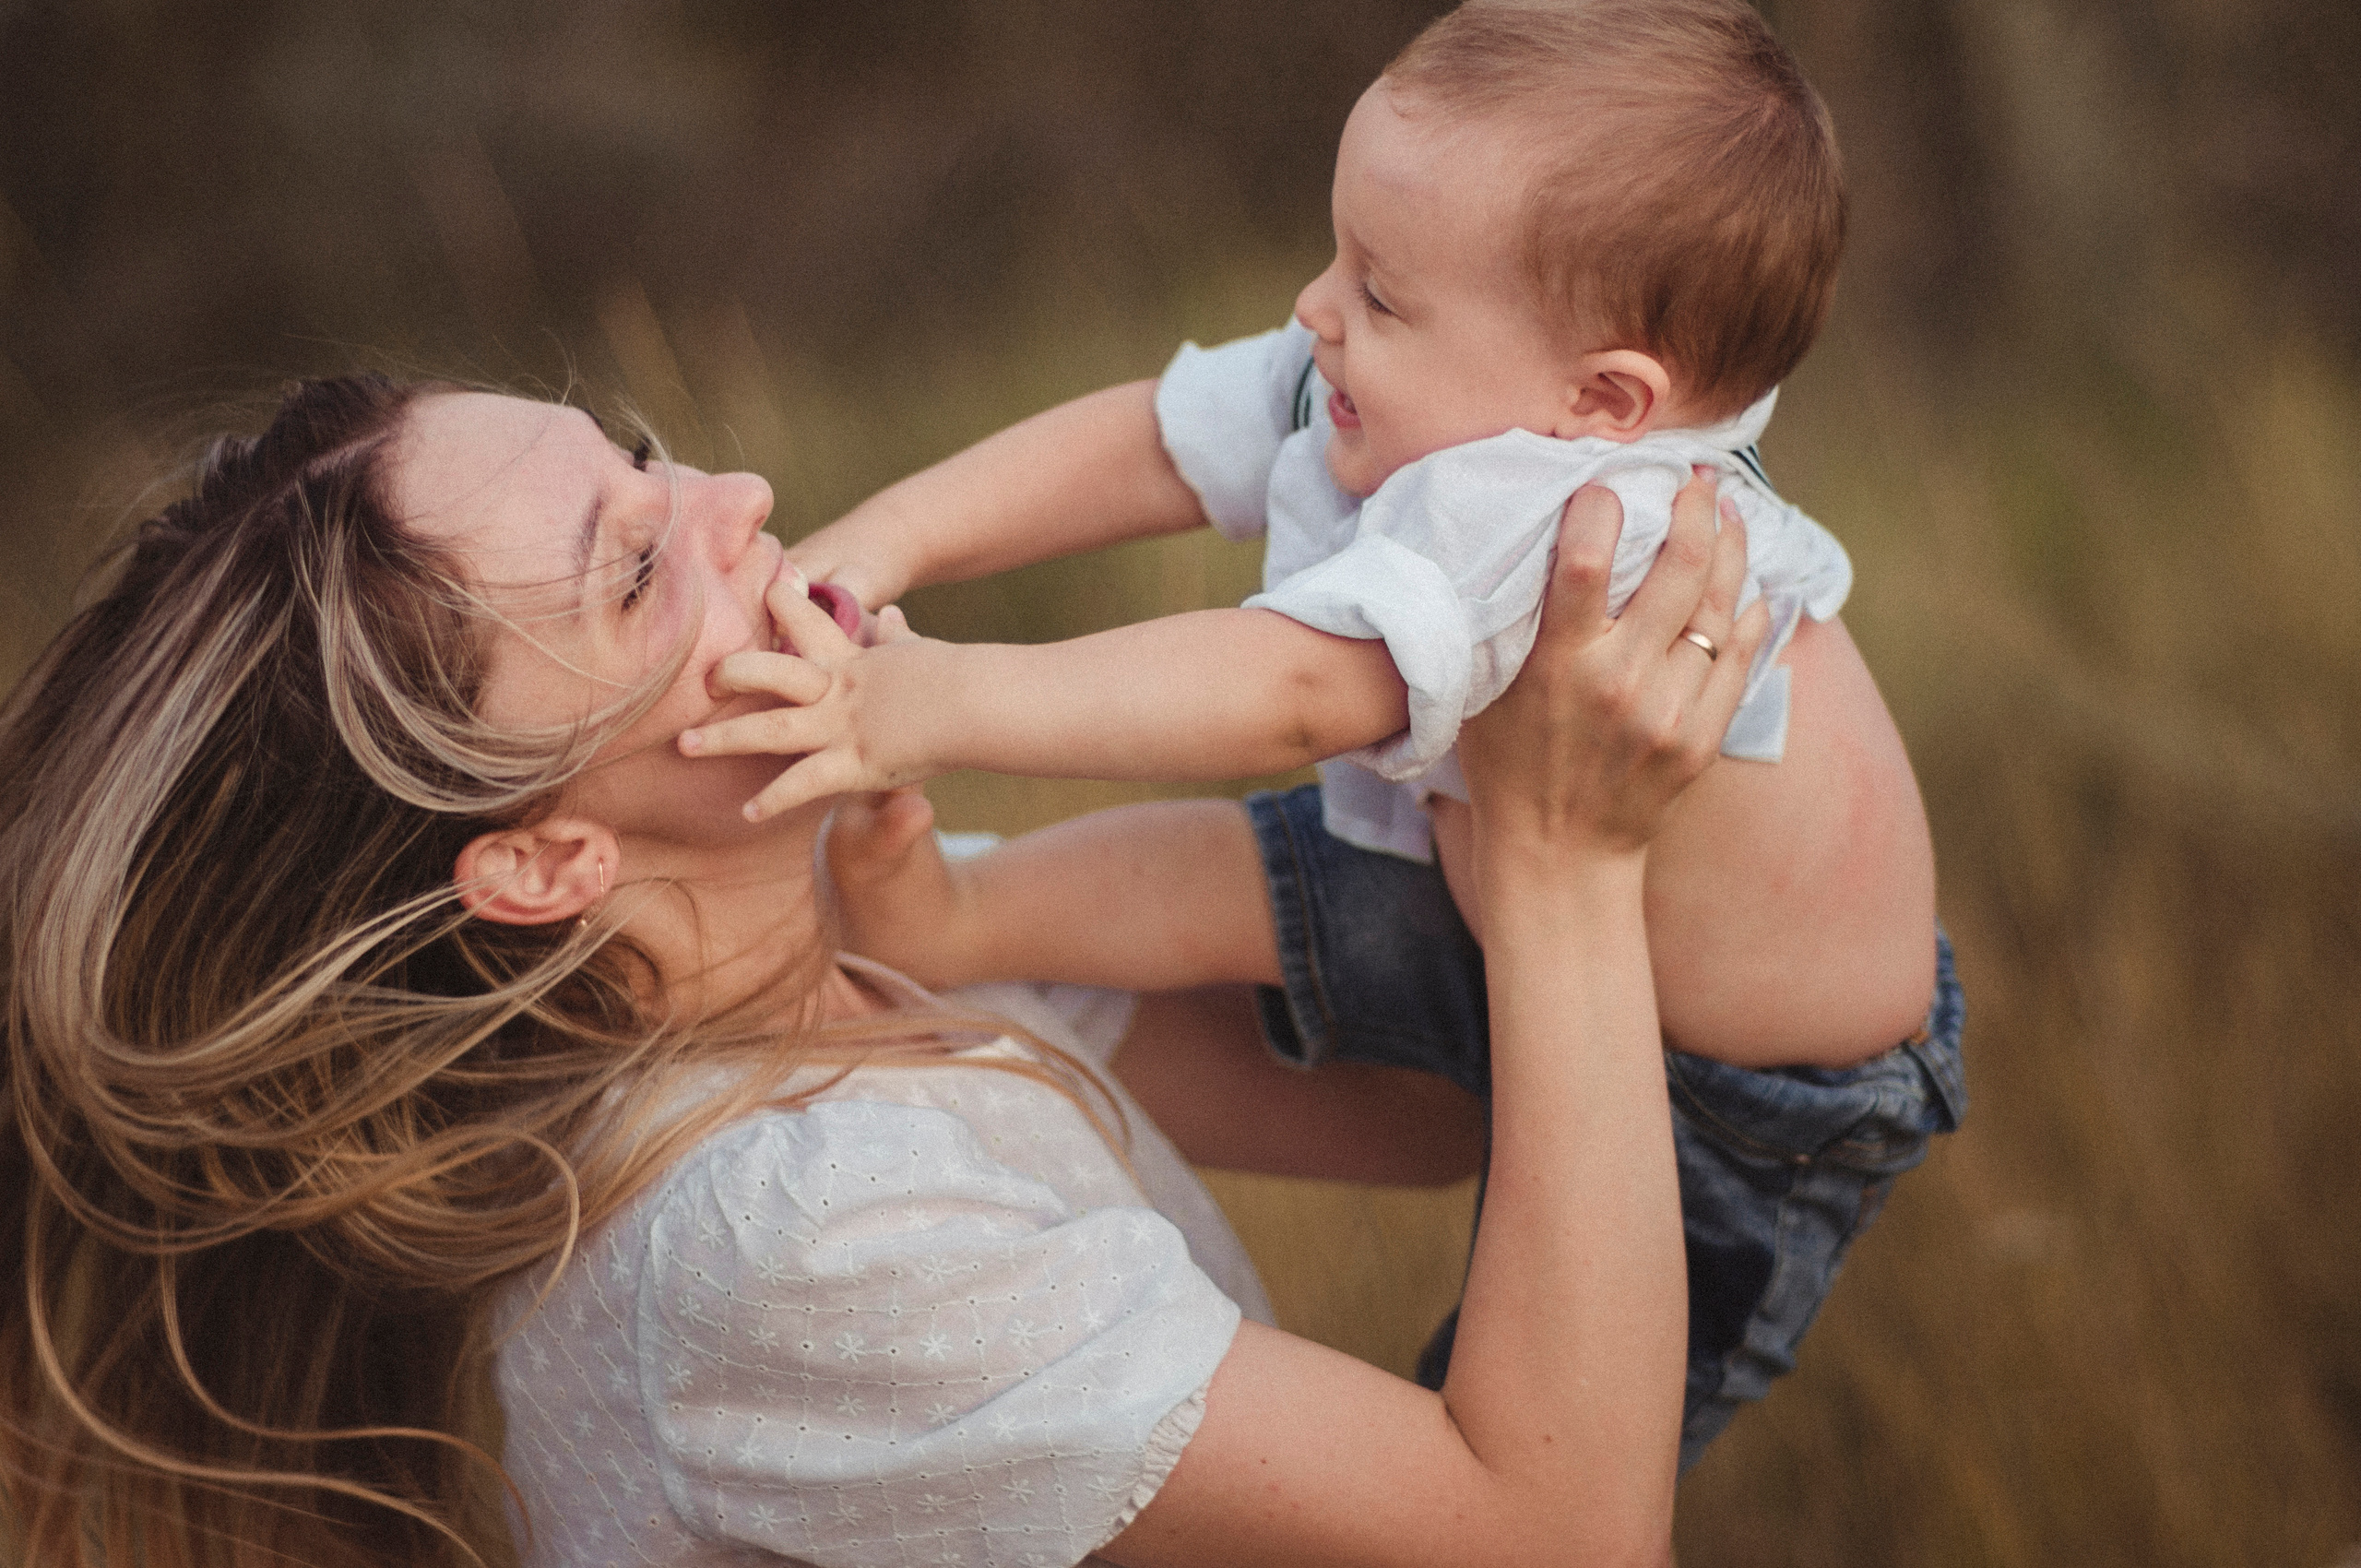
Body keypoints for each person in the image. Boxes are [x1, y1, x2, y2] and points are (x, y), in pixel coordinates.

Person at [2, 372, 1763, 1567]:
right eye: (635, 568)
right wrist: (1561, 869)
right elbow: (1561, 1531)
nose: (742, 498)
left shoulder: (865, 944)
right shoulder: (779, 1239)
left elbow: (1421, 1111)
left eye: (639, 453)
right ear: (545, 861)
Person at [710, 0, 1967, 1463]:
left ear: (1604, 399)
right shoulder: (1467, 383)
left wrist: (940, 700)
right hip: (1494, 909)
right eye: (1339, 255)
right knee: (1279, 872)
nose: (1316, 309)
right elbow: (1156, 439)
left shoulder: (1581, 511)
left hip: (1743, 1112)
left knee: (1536, 1431)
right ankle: (959, 918)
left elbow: (1299, 687)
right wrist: (880, 545)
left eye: (1379, 289)